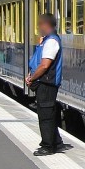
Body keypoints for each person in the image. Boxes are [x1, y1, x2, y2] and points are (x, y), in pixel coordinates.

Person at [26, 13, 67, 156]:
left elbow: (44, 66)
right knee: (47, 112)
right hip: (44, 81)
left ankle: (47, 146)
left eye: (40, 24)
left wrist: (32, 78)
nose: (38, 27)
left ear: (46, 25)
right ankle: (57, 142)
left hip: (47, 82)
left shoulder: (52, 42)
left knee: (45, 115)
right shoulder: (47, 41)